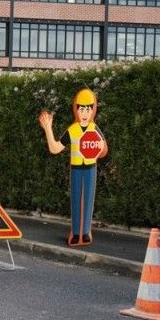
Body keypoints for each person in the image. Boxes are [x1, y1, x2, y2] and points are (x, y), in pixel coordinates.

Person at [38, 88, 108, 246]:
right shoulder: (73, 130)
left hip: (90, 168)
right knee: (76, 200)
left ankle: (85, 232)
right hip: (76, 169)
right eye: (81, 109)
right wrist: (48, 129)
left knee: (88, 199)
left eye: (88, 109)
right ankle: (76, 233)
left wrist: (100, 148)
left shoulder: (94, 129)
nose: (85, 112)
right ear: (76, 109)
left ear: (93, 110)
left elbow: (104, 150)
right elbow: (55, 148)